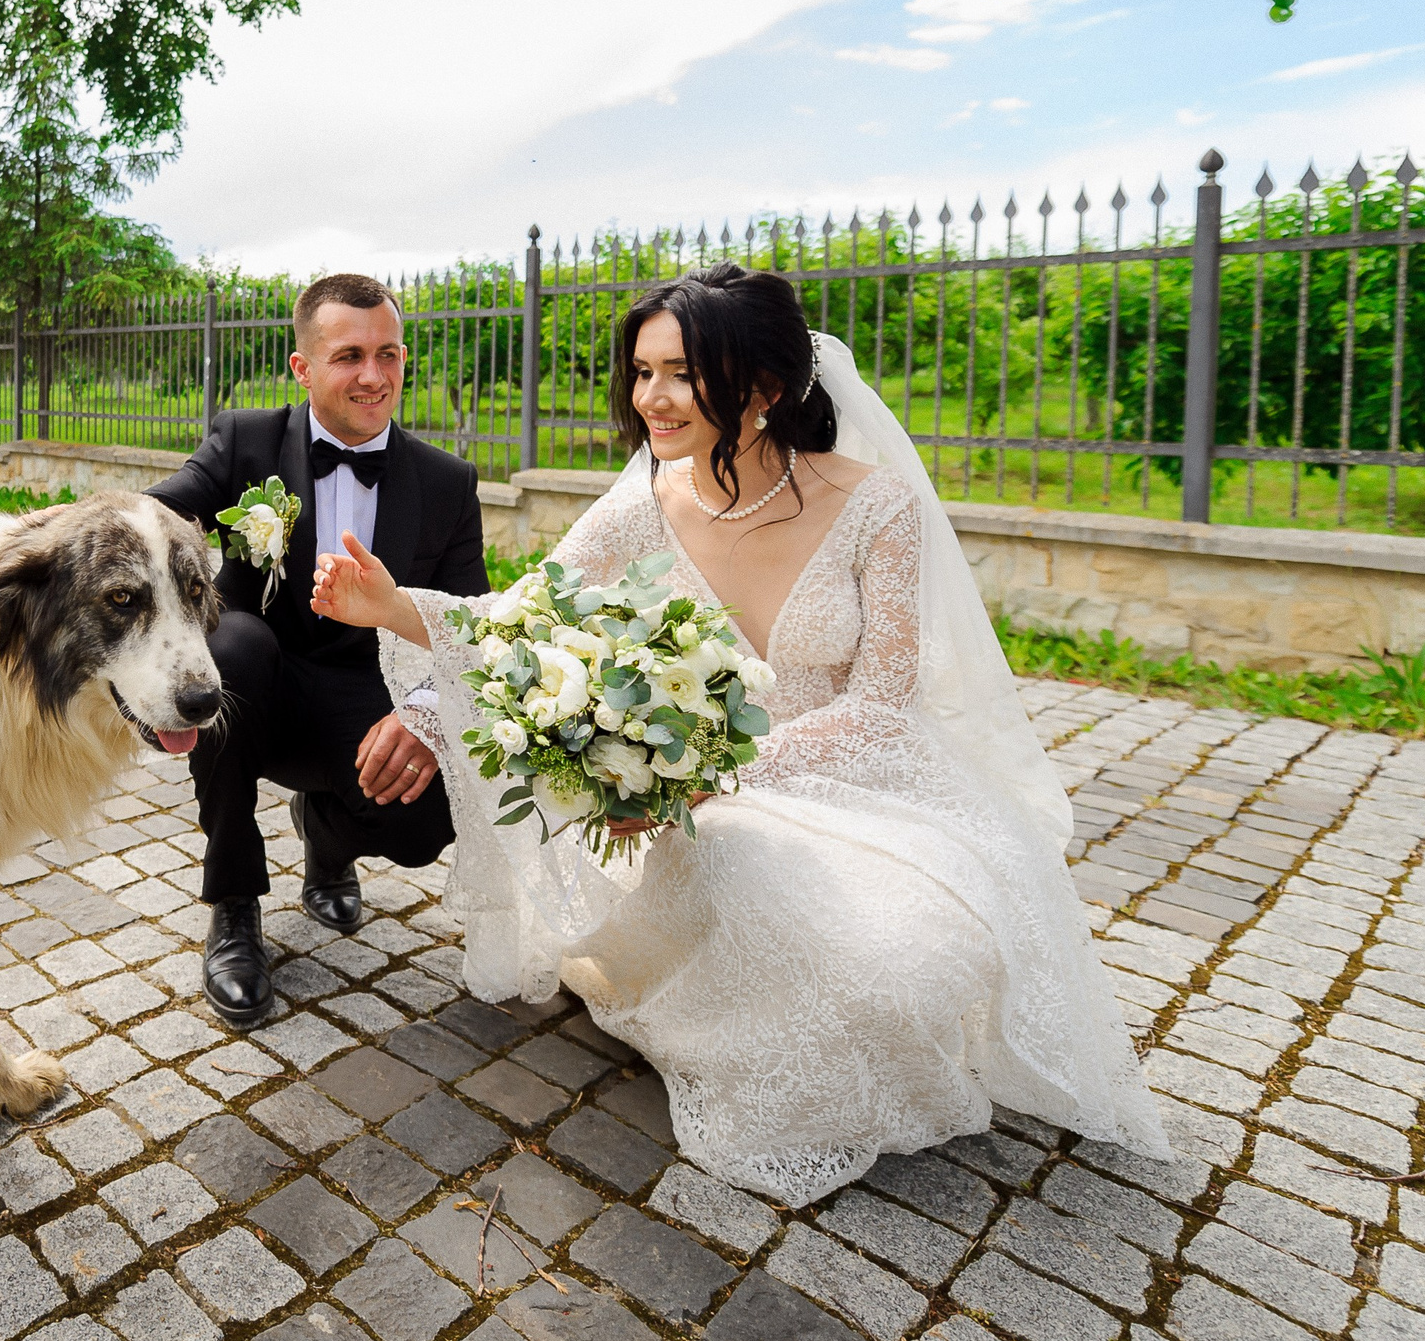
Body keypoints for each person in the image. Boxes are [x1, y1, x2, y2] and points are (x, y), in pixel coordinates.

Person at [309, 262, 1169, 1206]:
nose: (652, 399)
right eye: (641, 372)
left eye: (679, 372)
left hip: (852, 783)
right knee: (804, 951)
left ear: (762, 386)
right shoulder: (645, 500)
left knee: (912, 959)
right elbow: (523, 617)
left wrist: (719, 769)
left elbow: (881, 703)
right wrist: (397, 610)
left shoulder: (878, 505)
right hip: (695, 813)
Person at [147, 273, 489, 1026]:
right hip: (254, 689)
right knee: (229, 644)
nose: (374, 376)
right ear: (303, 368)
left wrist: (428, 714)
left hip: (369, 700)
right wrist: (55, 536)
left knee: (429, 816)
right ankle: (234, 907)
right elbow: (158, 509)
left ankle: (325, 836)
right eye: (349, 356)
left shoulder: (448, 483)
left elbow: (472, 625)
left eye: (389, 354)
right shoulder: (246, 440)